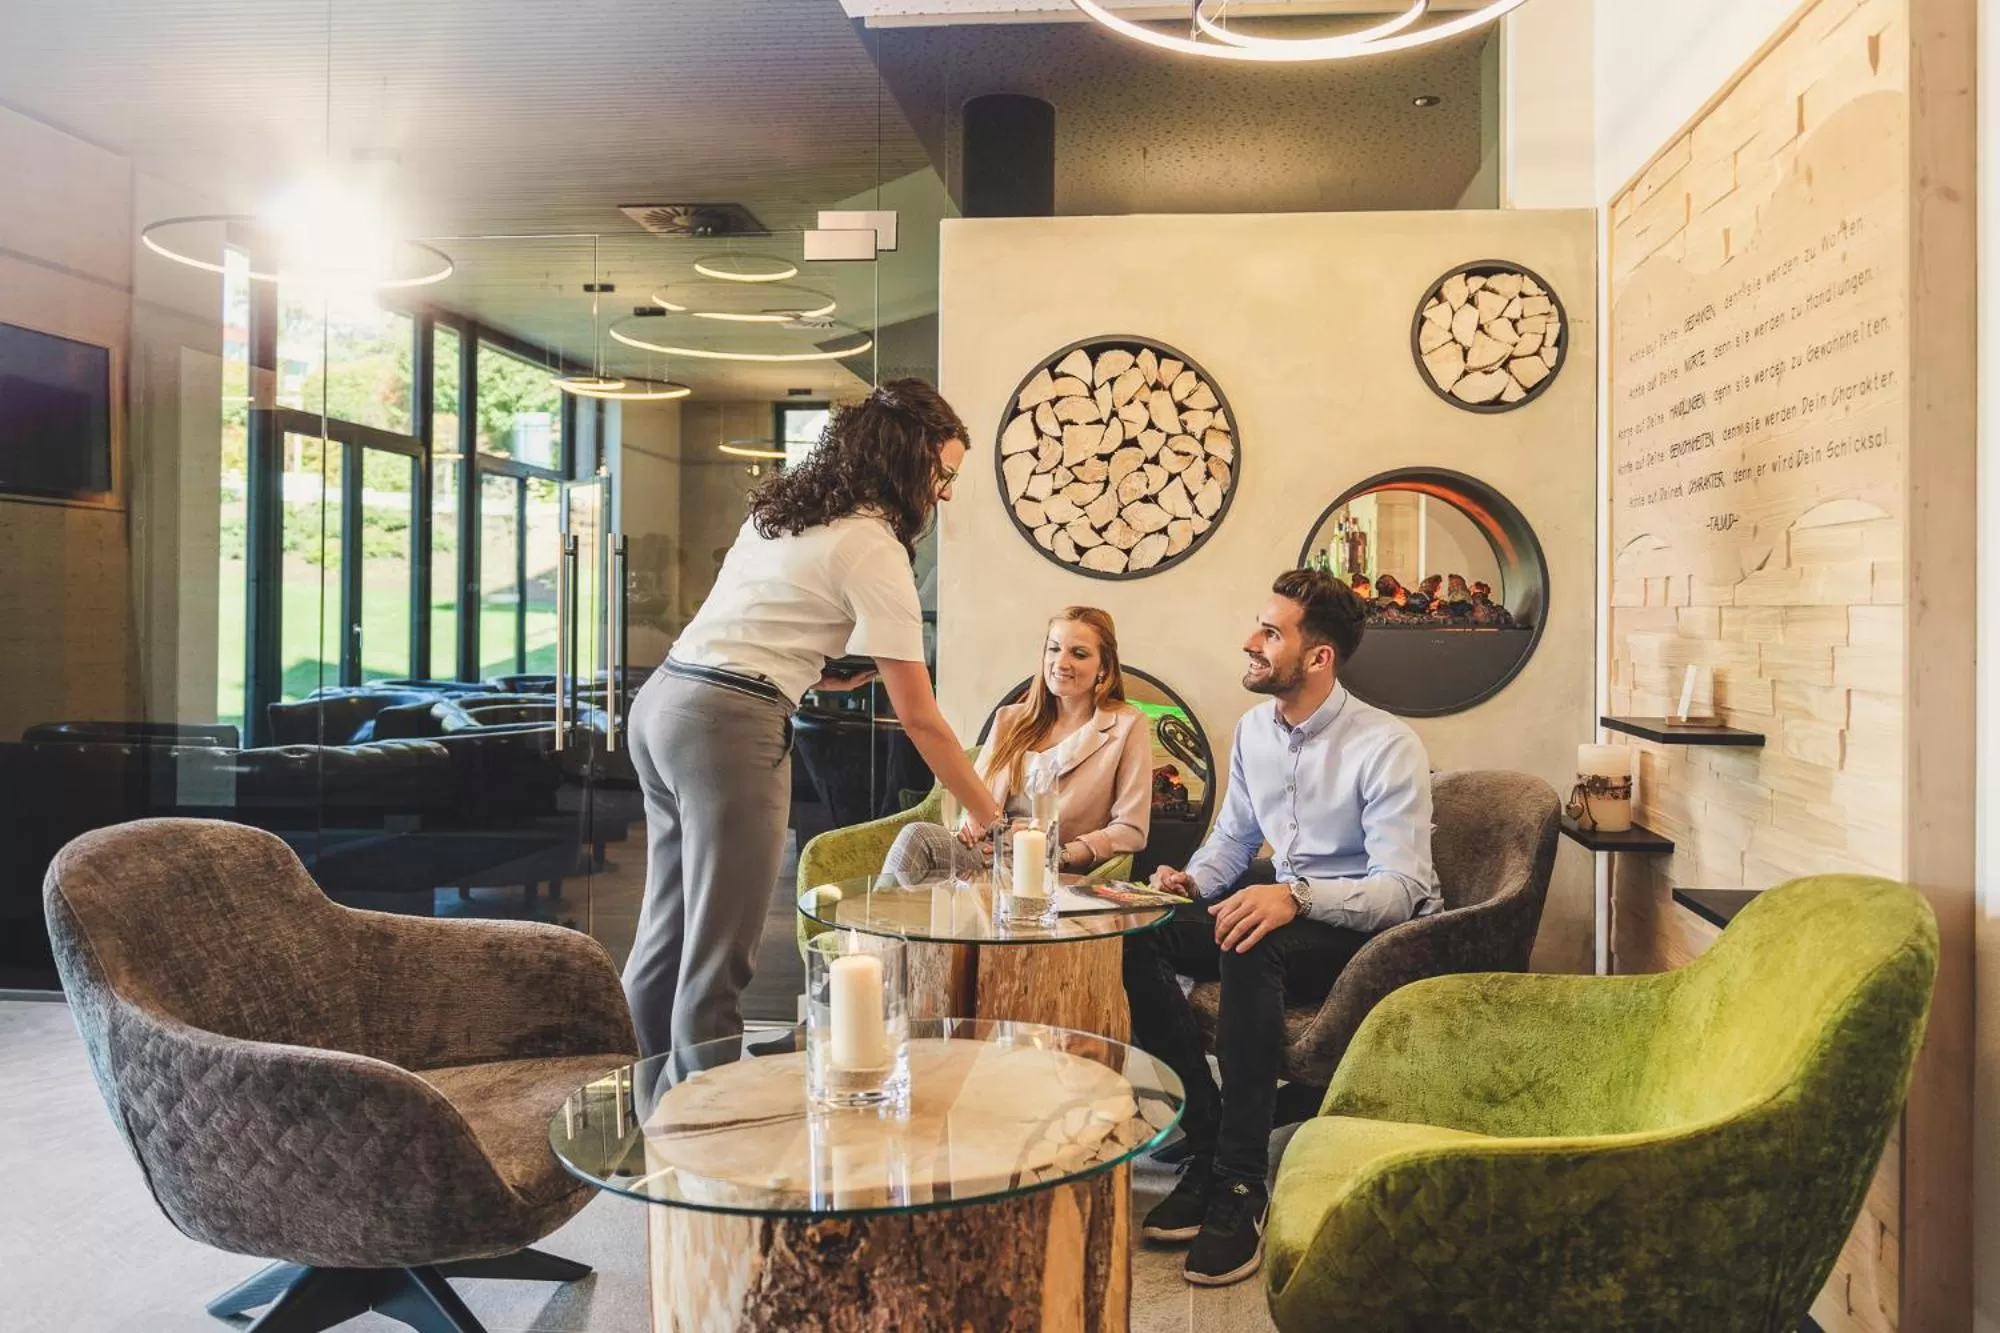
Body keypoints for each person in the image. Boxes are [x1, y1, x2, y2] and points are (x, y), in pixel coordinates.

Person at [622, 379, 1008, 1059]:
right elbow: (922, 719)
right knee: (719, 959)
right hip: (727, 728)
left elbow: (755, 621)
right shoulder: (874, 546)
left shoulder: (782, 512)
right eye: (943, 473)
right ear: (906, 459)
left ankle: (642, 1115)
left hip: (664, 702)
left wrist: (822, 668)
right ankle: (711, 1145)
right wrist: (996, 818)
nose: (945, 492)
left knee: (667, 933)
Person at [1123, 568, 1439, 1287]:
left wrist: (1293, 896)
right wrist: (1191, 883)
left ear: (1318, 657)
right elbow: (1233, 839)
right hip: (1285, 902)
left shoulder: (1387, 746)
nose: (1250, 641)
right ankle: (1205, 1138)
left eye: (1270, 632)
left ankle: (1240, 1183)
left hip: (1365, 931)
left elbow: (1402, 889)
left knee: (1249, 936)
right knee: (1139, 930)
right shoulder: (1254, 732)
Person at [882, 607, 1151, 883]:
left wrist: (1065, 854)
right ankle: (874, 926)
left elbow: (1131, 828)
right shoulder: (1010, 719)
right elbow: (977, 794)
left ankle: (875, 925)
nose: (1061, 662)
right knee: (917, 841)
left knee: (922, 851)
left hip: (1055, 865)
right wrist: (972, 823)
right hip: (991, 853)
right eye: (1054, 649)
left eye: (1079, 654)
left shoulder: (1127, 725)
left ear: (1104, 667)